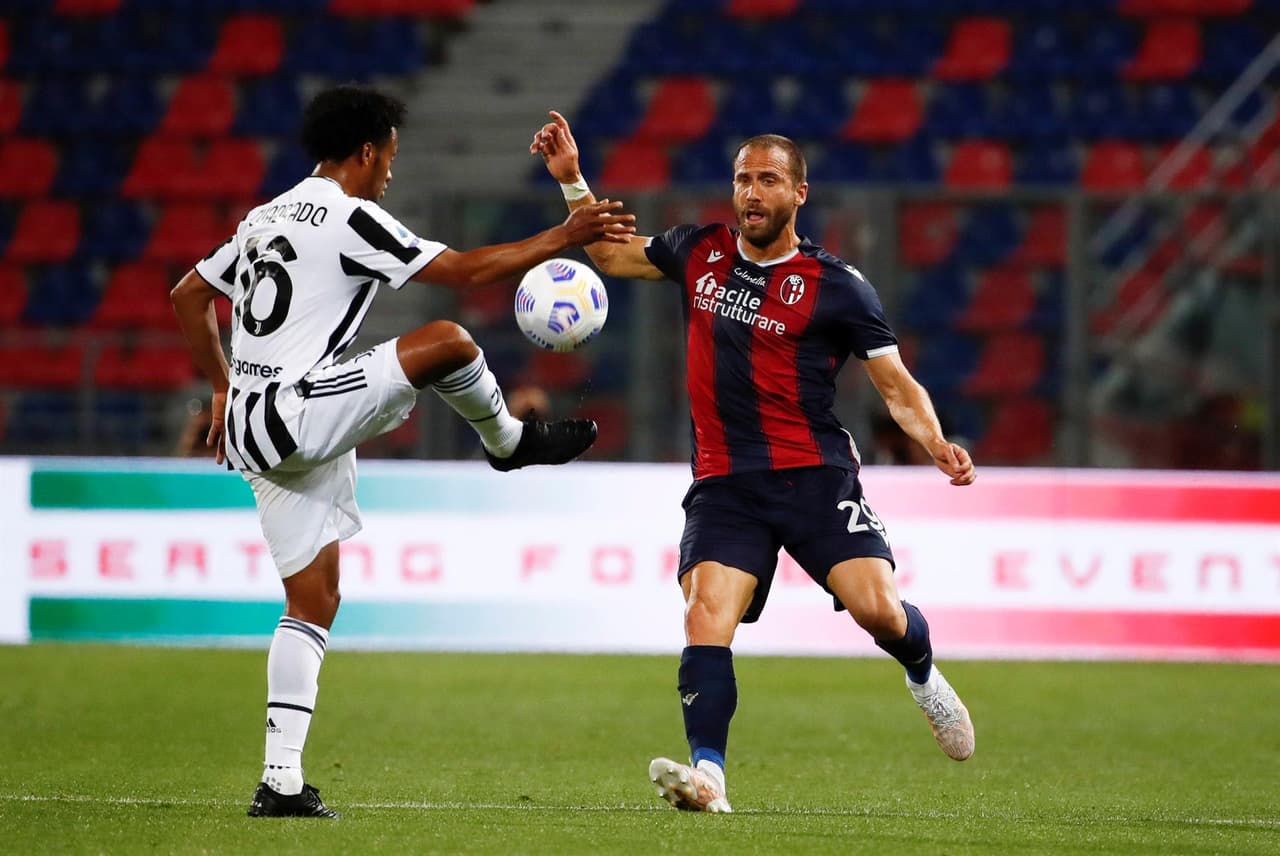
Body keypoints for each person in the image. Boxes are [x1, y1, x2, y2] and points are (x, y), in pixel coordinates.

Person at [170, 85, 635, 819]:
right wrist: (561, 236)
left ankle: (280, 782)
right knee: (449, 340)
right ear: (366, 151)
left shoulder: (264, 218)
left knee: (313, 601)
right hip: (296, 414)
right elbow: (464, 272)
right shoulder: (352, 217)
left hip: (256, 429)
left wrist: (223, 390)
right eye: (390, 154)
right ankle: (507, 441)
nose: (390, 169)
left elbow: (187, 294)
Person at [532, 111, 977, 814]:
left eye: (768, 179)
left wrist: (937, 444)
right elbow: (614, 256)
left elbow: (896, 386)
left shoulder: (837, 286)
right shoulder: (699, 250)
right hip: (725, 483)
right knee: (706, 615)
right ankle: (710, 775)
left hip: (813, 474)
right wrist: (572, 183)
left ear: (799, 194)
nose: (752, 192)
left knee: (879, 613)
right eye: (743, 178)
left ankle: (921, 672)